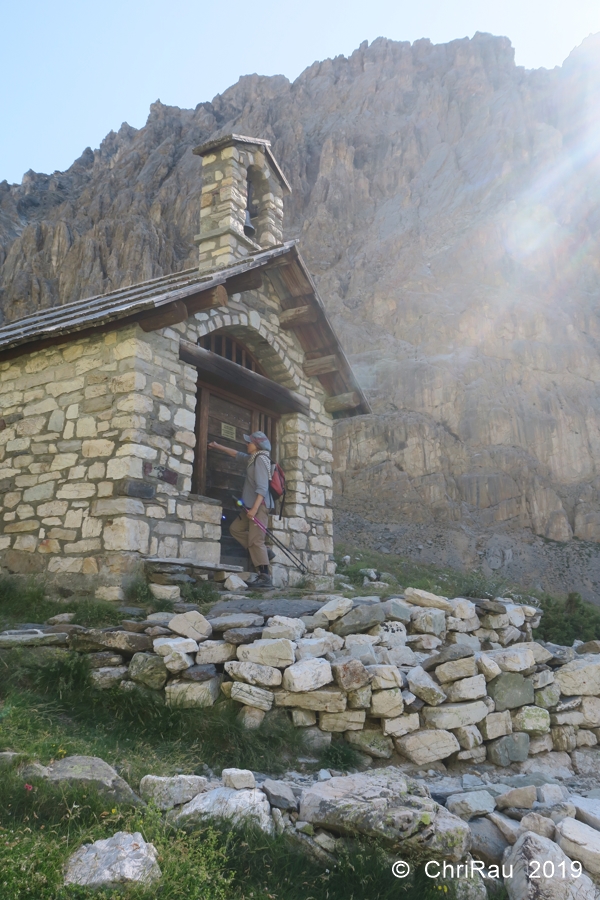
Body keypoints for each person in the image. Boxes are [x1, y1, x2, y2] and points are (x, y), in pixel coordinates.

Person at [208, 430, 274, 589]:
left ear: (257, 445)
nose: (247, 444)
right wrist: (217, 446)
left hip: (259, 507)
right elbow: (236, 454)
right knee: (235, 529)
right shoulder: (252, 458)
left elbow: (262, 488)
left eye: (249, 442)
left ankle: (265, 577)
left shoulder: (261, 460)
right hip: (250, 507)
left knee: (256, 541)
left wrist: (254, 509)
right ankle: (265, 552)